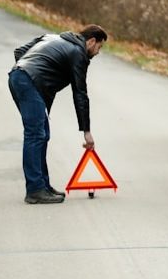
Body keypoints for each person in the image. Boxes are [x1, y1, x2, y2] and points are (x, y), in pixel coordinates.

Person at [8, 24, 108, 204]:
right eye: (99, 47)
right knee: (35, 134)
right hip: (27, 82)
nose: (98, 52)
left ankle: (43, 185)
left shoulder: (53, 37)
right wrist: (86, 131)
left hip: (21, 77)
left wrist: (27, 73)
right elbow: (80, 94)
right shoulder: (79, 54)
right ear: (92, 41)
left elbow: (19, 52)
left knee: (42, 134)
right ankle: (35, 190)